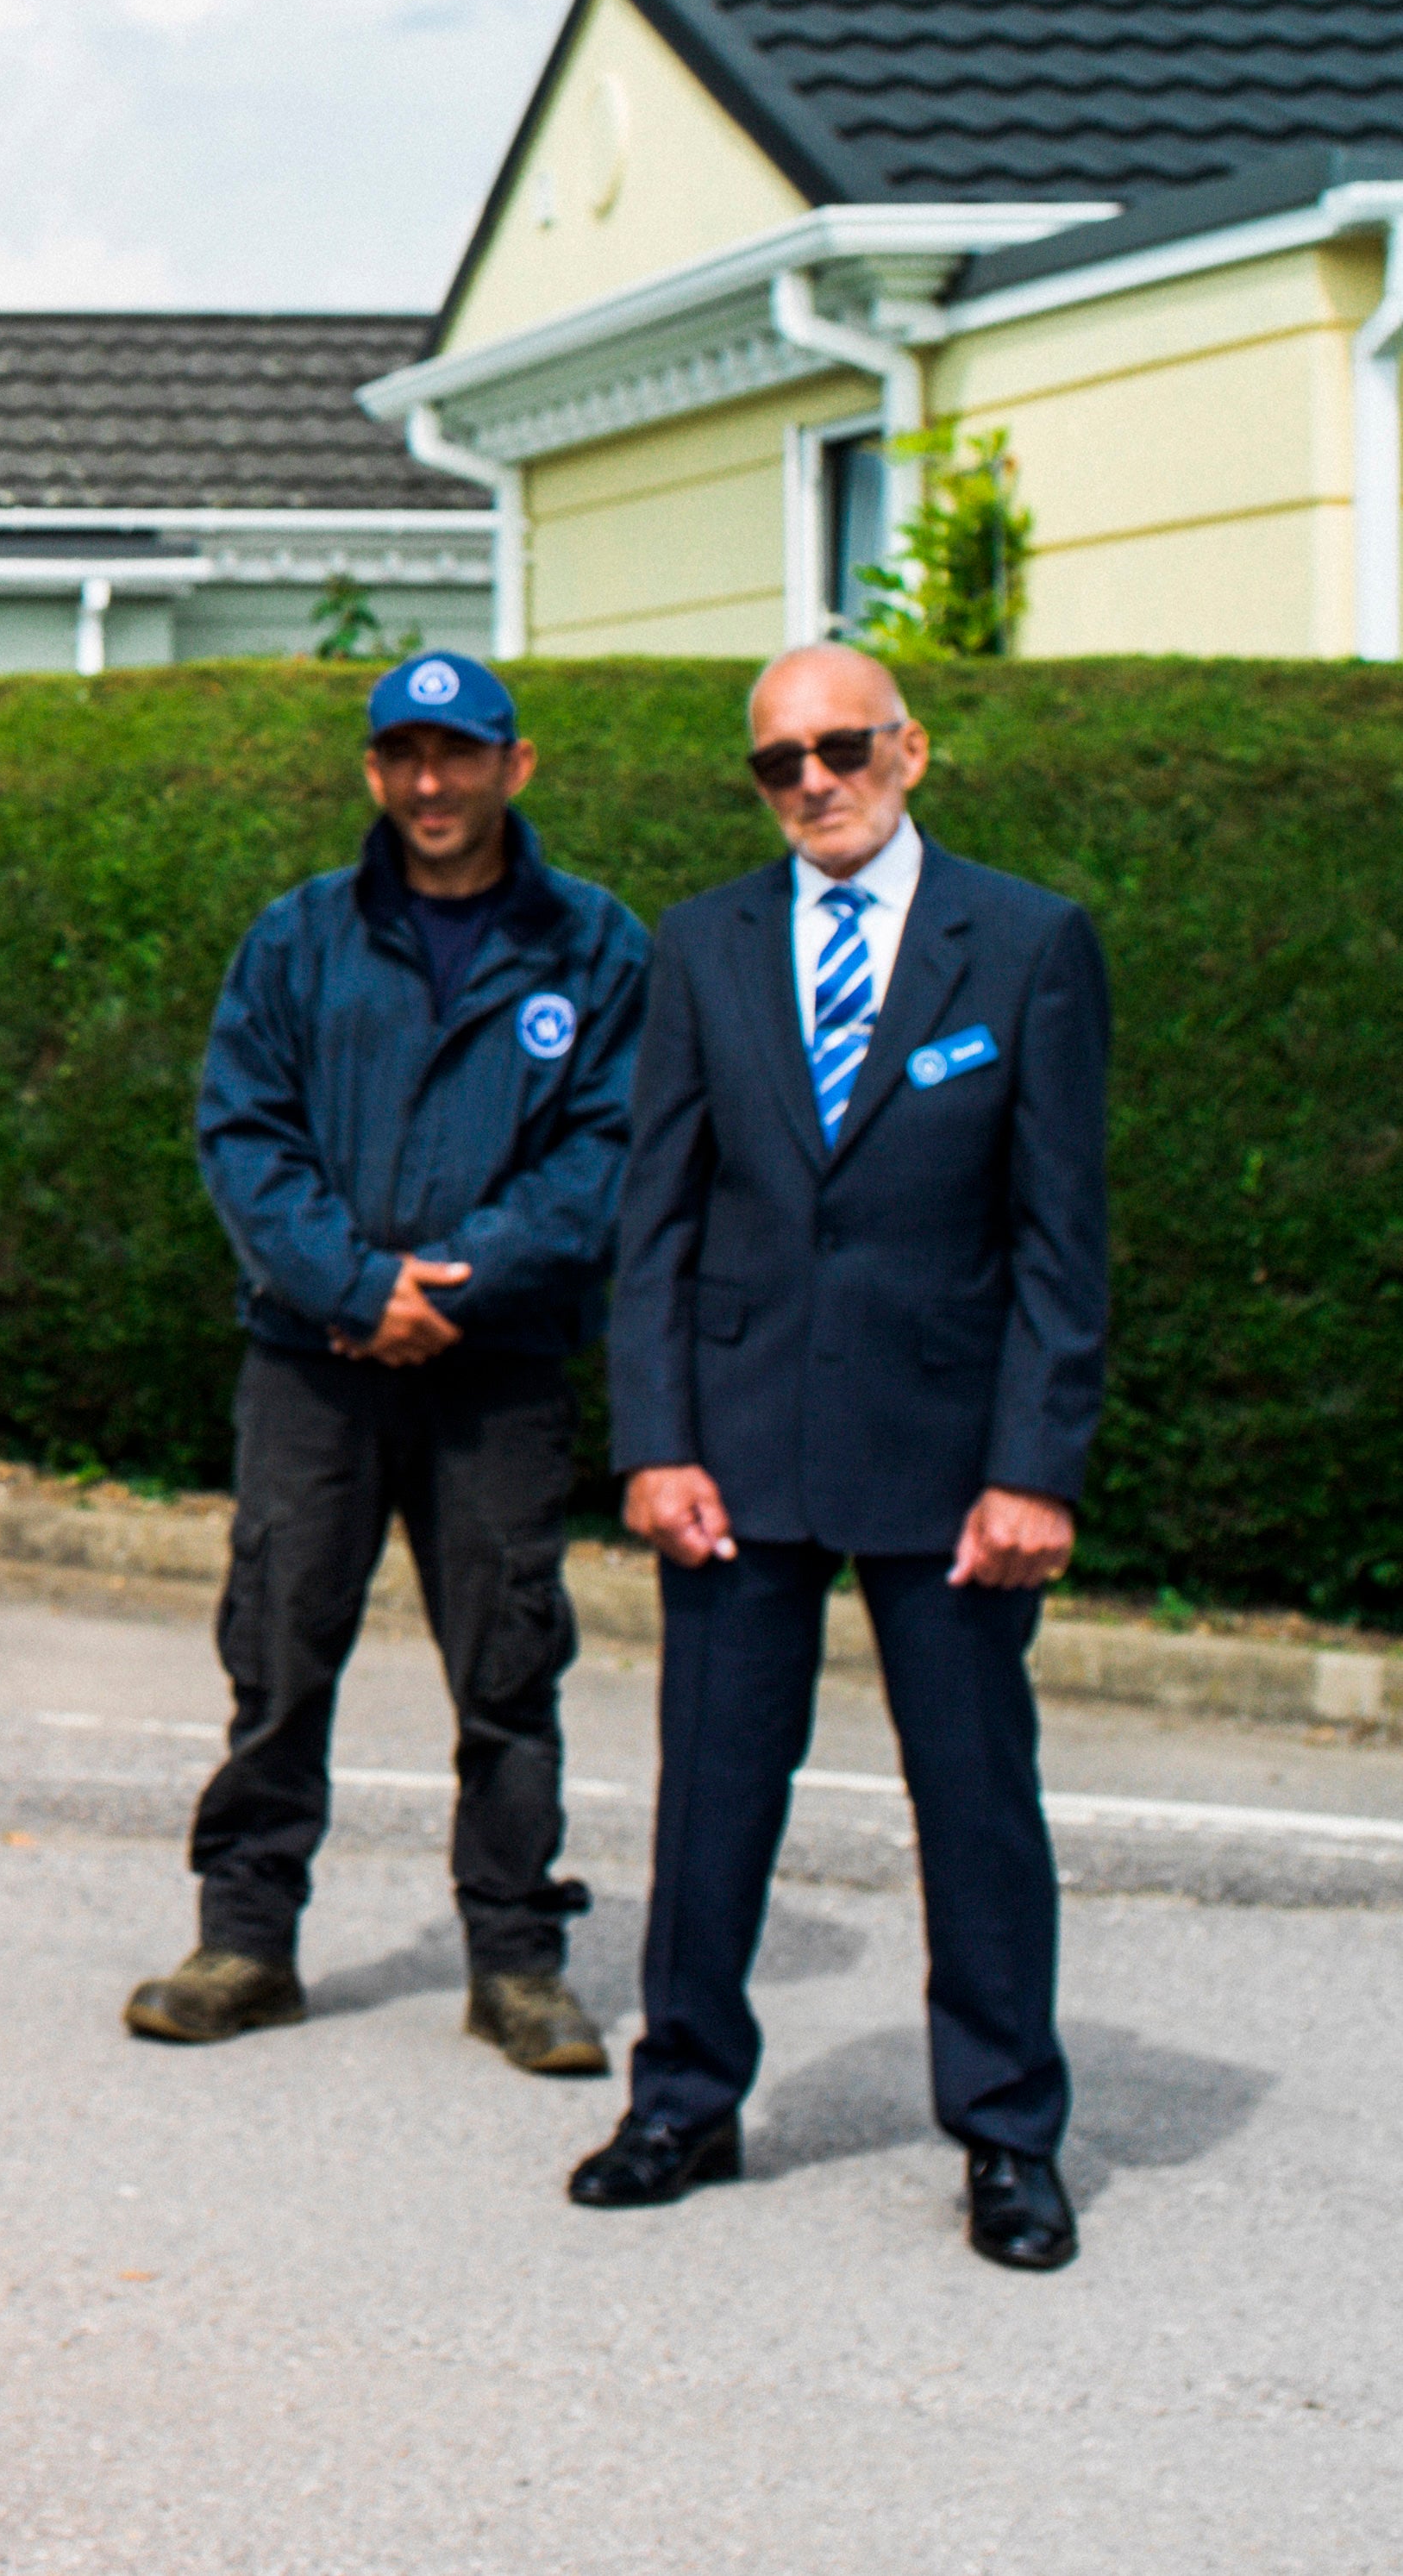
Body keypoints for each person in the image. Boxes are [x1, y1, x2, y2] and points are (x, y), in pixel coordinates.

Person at [567, 644, 1107, 2273]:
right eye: (776, 761)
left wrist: (1035, 1468)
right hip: (736, 1455)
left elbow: (1060, 1246)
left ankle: (1006, 2132)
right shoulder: (704, 944)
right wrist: (652, 1442)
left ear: (909, 749)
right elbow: (652, 1222)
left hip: (950, 1468)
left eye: (840, 746)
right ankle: (683, 2098)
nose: (811, 780)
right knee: (712, 1798)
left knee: (975, 1806)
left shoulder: (1023, 946)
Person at [127, 652, 648, 2077]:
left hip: (500, 1372)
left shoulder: (594, 947)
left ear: (512, 765)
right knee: (279, 1655)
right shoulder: (296, 939)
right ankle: (245, 1940)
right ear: (371, 772)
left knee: (508, 1669)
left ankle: (516, 1961)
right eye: (405, 756)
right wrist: (357, 1287)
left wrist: (453, 1287)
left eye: (460, 755)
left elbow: (604, 1153)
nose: (432, 783)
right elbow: (243, 1132)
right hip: (315, 1363)